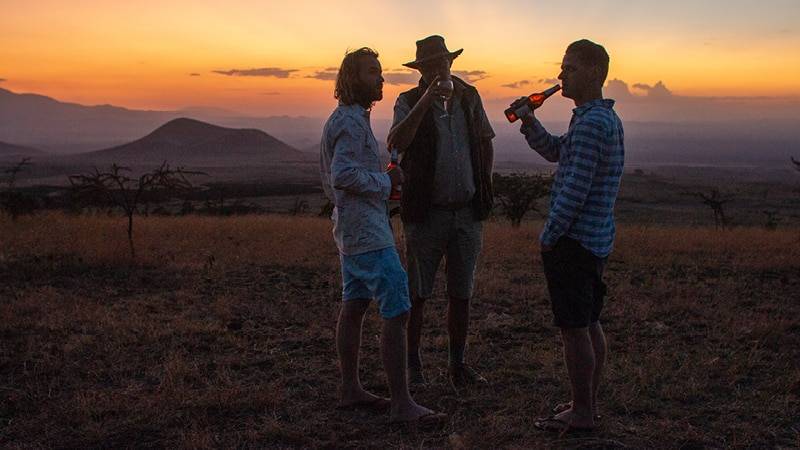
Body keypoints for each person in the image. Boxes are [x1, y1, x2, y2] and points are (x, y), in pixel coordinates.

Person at [320, 47, 445, 424]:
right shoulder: (351, 123)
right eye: (372, 72)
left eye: (379, 72)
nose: (380, 78)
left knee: (355, 305)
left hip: (351, 230)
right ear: (352, 79)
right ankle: (402, 404)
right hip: (368, 234)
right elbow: (342, 176)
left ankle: (350, 389)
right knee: (398, 308)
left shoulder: (346, 119)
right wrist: (385, 180)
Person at [513, 39, 624, 433]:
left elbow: (575, 188)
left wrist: (550, 234)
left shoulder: (593, 123)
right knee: (589, 322)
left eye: (569, 68)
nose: (560, 76)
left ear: (594, 72)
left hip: (575, 242)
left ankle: (580, 414)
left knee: (574, 328)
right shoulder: (596, 118)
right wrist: (529, 121)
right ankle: (585, 403)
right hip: (593, 240)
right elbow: (557, 152)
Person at [387, 35, 495, 389]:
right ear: (420, 70)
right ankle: (413, 367)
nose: (438, 70)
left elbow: (484, 141)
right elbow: (397, 142)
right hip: (426, 213)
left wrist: (484, 187)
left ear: (451, 63)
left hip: (466, 212)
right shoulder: (407, 101)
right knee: (417, 294)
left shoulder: (469, 96)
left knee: (461, 293)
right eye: (430, 65)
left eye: (441, 63)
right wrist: (425, 102)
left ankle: (457, 365)